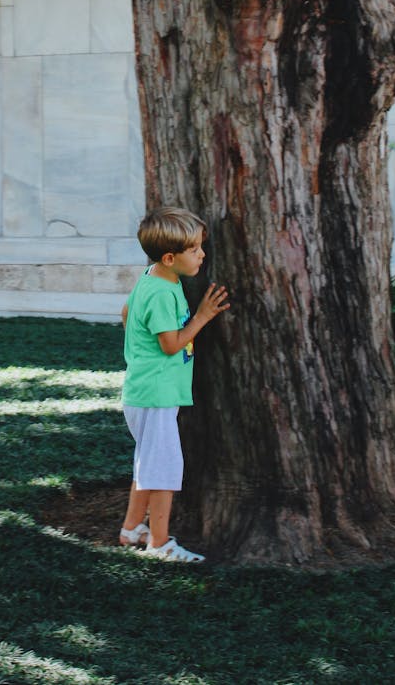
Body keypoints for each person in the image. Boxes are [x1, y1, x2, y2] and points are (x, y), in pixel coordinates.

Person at [119, 206, 230, 562]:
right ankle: (160, 543)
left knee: (147, 462)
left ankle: (132, 528)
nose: (202, 254)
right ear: (170, 257)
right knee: (164, 468)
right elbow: (170, 344)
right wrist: (202, 317)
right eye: (195, 249)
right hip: (155, 395)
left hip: (144, 391)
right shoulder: (164, 292)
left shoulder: (152, 278)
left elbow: (125, 313)